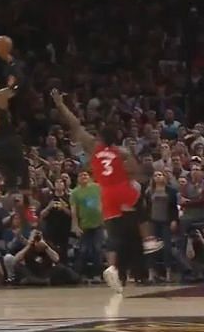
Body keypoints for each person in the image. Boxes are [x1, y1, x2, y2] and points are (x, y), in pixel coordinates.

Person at [50, 89, 162, 294]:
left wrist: (60, 104)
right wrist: (138, 175)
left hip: (105, 193)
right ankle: (148, 241)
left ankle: (111, 267)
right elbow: (136, 173)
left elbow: (75, 124)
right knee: (141, 209)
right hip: (121, 189)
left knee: (113, 234)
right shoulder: (122, 152)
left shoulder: (93, 147)